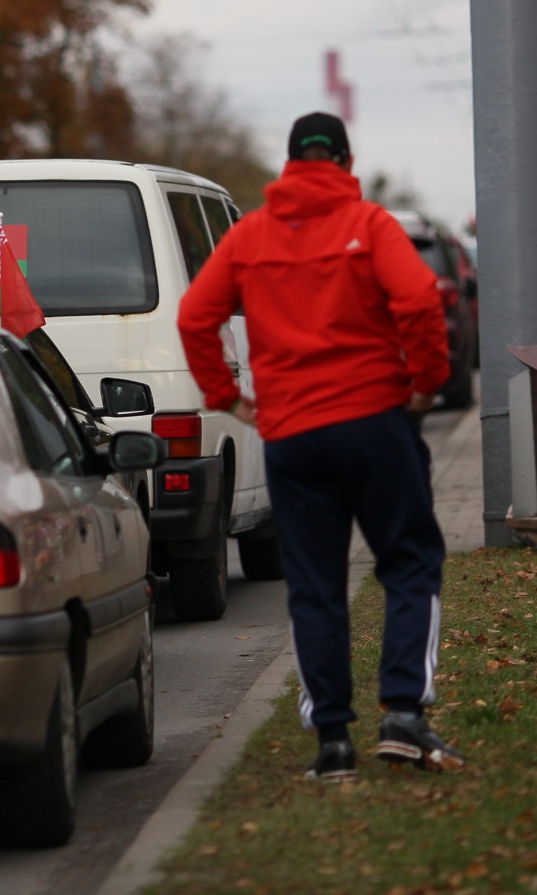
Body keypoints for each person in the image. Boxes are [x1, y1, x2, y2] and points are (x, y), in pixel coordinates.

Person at [177, 111, 462, 782]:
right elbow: (420, 298)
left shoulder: (250, 235)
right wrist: (425, 385)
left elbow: (196, 315)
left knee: (314, 584)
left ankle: (333, 740)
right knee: (410, 561)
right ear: (345, 159)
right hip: (374, 423)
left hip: (293, 435)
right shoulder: (369, 224)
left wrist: (229, 397)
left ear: (289, 163)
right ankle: (402, 712)